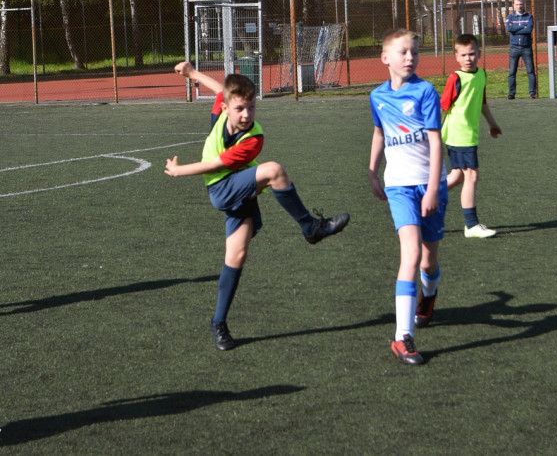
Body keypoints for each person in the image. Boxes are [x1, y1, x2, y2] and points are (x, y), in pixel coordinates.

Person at [165, 61, 349, 352]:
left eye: (251, 108)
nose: (246, 114)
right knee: (273, 170)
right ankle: (310, 227)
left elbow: (223, 94)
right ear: (225, 108)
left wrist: (191, 74)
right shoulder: (221, 114)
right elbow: (214, 162)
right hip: (222, 189)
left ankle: (218, 323)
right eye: (239, 109)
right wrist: (192, 74)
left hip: (241, 189)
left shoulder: (254, 137)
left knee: (236, 255)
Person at [367, 29, 447, 366]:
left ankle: (429, 294)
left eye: (414, 52)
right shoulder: (377, 97)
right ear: (385, 58)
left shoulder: (425, 91)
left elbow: (435, 142)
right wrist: (372, 170)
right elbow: (379, 132)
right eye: (403, 52)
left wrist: (433, 189)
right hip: (399, 186)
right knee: (411, 254)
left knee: (428, 260)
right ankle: (402, 337)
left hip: (429, 185)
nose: (410, 57)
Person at [441, 34, 503, 239]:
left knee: (458, 176)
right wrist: (431, 135)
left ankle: (424, 199)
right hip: (459, 134)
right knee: (472, 176)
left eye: (472, 54)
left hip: (470, 134)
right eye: (463, 55)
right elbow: (442, 107)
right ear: (456, 57)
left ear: (479, 53)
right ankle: (471, 224)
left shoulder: (481, 75)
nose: (468, 58)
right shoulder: (455, 78)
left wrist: (492, 124)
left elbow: (482, 103)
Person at [505, 0, 537, 99]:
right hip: (514, 48)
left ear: (523, 5)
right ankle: (511, 93)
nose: (519, 6)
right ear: (514, 6)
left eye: (521, 4)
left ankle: (532, 93)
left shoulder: (529, 16)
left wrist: (516, 30)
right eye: (517, 4)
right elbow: (509, 29)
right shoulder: (510, 17)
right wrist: (522, 26)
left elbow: (529, 30)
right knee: (512, 72)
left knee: (530, 71)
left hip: (526, 48)